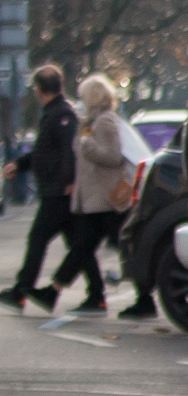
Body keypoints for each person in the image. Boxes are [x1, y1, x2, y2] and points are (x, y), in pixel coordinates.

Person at [3, 66, 78, 313]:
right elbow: (45, 151)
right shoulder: (54, 112)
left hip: (58, 189)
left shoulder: (61, 114)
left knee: (37, 239)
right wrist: (21, 164)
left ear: (40, 89)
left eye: (35, 87)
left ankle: (21, 290)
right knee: (79, 244)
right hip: (57, 187)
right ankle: (97, 293)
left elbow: (68, 150)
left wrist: (68, 179)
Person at [56, 76, 135, 313]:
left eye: (83, 96)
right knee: (85, 246)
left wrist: (88, 146)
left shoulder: (105, 122)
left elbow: (113, 156)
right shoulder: (91, 122)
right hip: (96, 198)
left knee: (89, 246)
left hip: (106, 198)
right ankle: (64, 292)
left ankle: (56, 291)